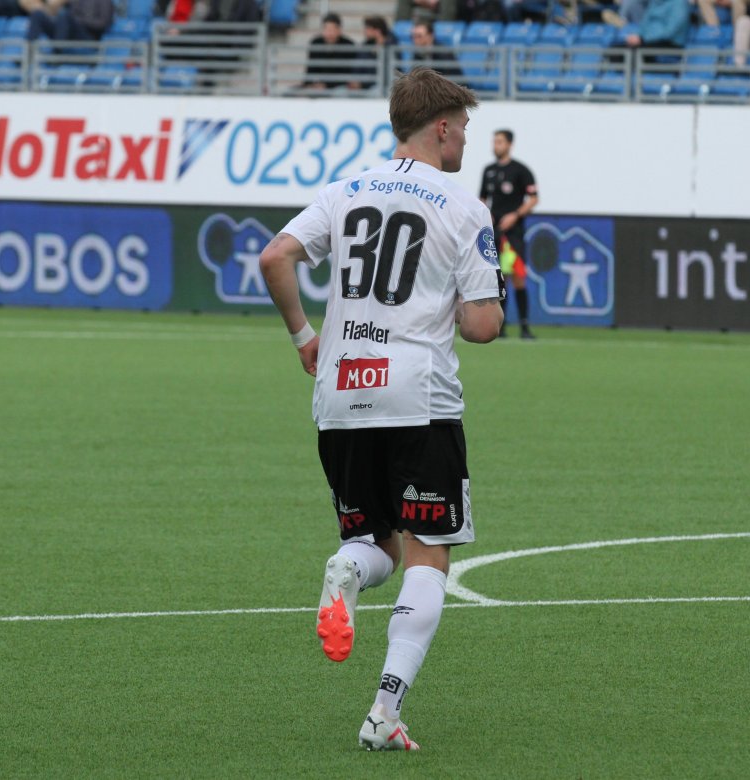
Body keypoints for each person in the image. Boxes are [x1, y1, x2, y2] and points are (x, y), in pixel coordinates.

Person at [257, 68, 504, 752]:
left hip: (340, 393)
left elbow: (275, 257)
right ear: (442, 127)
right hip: (418, 398)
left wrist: (305, 338)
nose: (466, 140)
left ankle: (349, 570)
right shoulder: (462, 206)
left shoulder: (344, 191)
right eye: (465, 128)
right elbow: (483, 326)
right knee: (428, 554)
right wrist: (471, 301)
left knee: (374, 544)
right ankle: (384, 710)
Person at [479, 129, 539, 339]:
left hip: (513, 233)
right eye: (494, 141)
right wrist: (485, 215)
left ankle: (524, 326)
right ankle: (501, 326)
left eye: (500, 142)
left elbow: (533, 199)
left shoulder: (520, 170)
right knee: (499, 278)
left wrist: (515, 215)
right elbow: (482, 199)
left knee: (518, 277)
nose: (496, 145)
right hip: (494, 232)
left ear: (509, 145)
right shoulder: (489, 171)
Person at [299, 12, 358, 91]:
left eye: (332, 30)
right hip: (319, 85)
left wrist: (326, 86)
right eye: (326, 29)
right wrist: (308, 85)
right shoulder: (316, 43)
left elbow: (346, 73)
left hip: (340, 86)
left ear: (339, 30)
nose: (329, 33)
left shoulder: (348, 45)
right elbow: (311, 69)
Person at [26, 0, 113, 43]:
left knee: (64, 16)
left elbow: (104, 23)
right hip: (66, 31)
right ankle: (28, 52)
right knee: (37, 14)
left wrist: (79, 22)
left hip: (88, 36)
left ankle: (57, 52)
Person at [355, 15, 396, 91]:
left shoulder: (392, 45)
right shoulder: (366, 45)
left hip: (384, 86)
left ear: (377, 31)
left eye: (368, 28)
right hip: (365, 86)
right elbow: (358, 67)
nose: (365, 31)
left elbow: (391, 70)